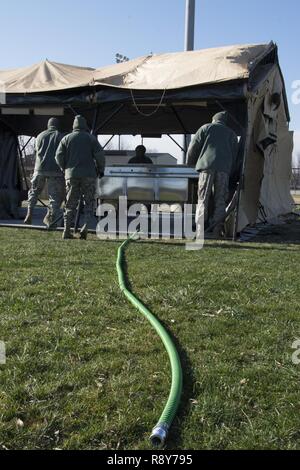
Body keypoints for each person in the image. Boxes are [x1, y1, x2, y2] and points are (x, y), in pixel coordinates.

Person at [187, 111, 239, 238]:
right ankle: (217, 230)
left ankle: (200, 231)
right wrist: (230, 170)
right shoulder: (232, 134)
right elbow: (235, 156)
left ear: (214, 119)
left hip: (206, 167)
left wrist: (190, 163)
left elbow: (193, 147)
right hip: (224, 170)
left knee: (203, 199)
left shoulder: (205, 128)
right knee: (220, 201)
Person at [55, 115, 105, 240]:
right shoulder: (91, 138)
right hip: (89, 175)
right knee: (89, 202)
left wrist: (64, 168)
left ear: (74, 125)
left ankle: (66, 231)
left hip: (71, 175)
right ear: (84, 125)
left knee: (70, 203)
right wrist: (101, 169)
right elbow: (100, 155)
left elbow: (58, 156)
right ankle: (85, 228)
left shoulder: (66, 138)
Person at [24, 118, 65, 228]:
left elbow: (37, 151)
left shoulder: (40, 135)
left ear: (48, 125)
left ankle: (29, 213)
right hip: (55, 170)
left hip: (39, 168)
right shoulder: (60, 136)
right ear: (57, 125)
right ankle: (51, 219)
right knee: (54, 197)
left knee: (34, 192)